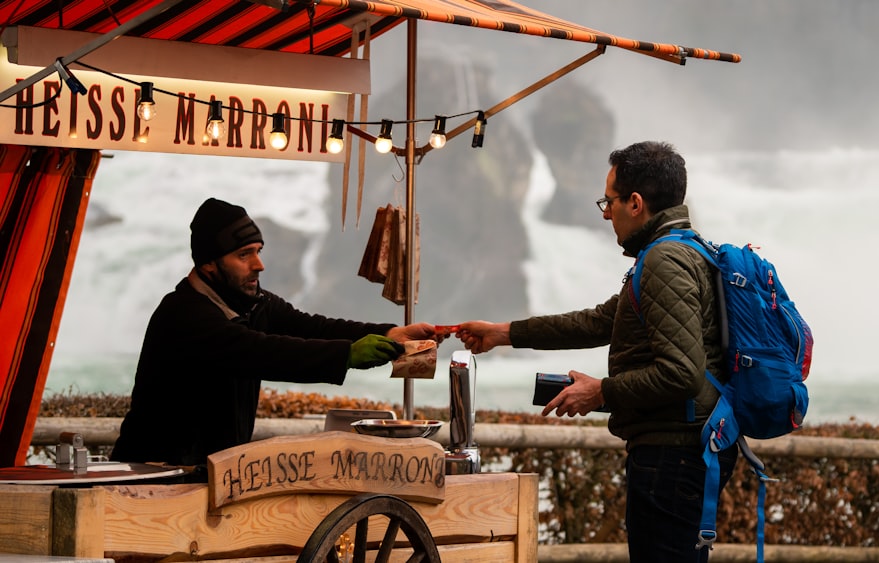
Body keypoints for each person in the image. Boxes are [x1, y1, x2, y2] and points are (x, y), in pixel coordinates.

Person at [457, 141, 737, 562]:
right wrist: (504, 333)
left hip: (672, 456)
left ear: (636, 203)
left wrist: (600, 391)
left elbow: (681, 373)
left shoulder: (665, 261)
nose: (606, 214)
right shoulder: (684, 252)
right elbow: (598, 322)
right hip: (684, 450)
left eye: (609, 202)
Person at [111, 197, 441, 472]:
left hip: (210, 473)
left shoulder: (253, 303)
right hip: (154, 473)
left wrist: (389, 331)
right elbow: (262, 352)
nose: (259, 264)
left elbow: (312, 326)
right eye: (244, 255)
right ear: (209, 264)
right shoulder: (183, 314)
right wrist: (347, 356)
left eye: (258, 250)